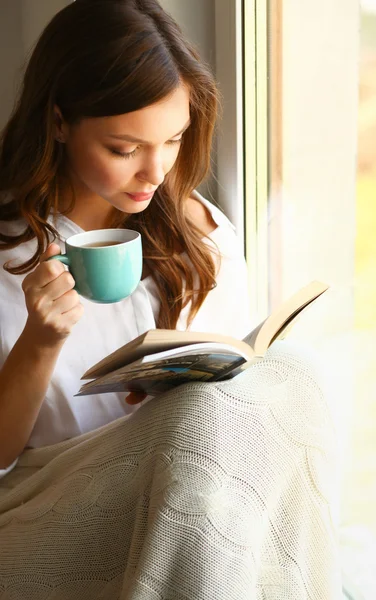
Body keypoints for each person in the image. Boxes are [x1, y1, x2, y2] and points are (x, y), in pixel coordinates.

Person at [0, 1, 341, 598]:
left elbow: (237, 398)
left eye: (174, 140)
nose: (154, 172)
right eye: (124, 148)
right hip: (45, 496)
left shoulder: (199, 235)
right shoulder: (10, 257)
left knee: (295, 374)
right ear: (59, 122)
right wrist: (40, 342)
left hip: (180, 487)